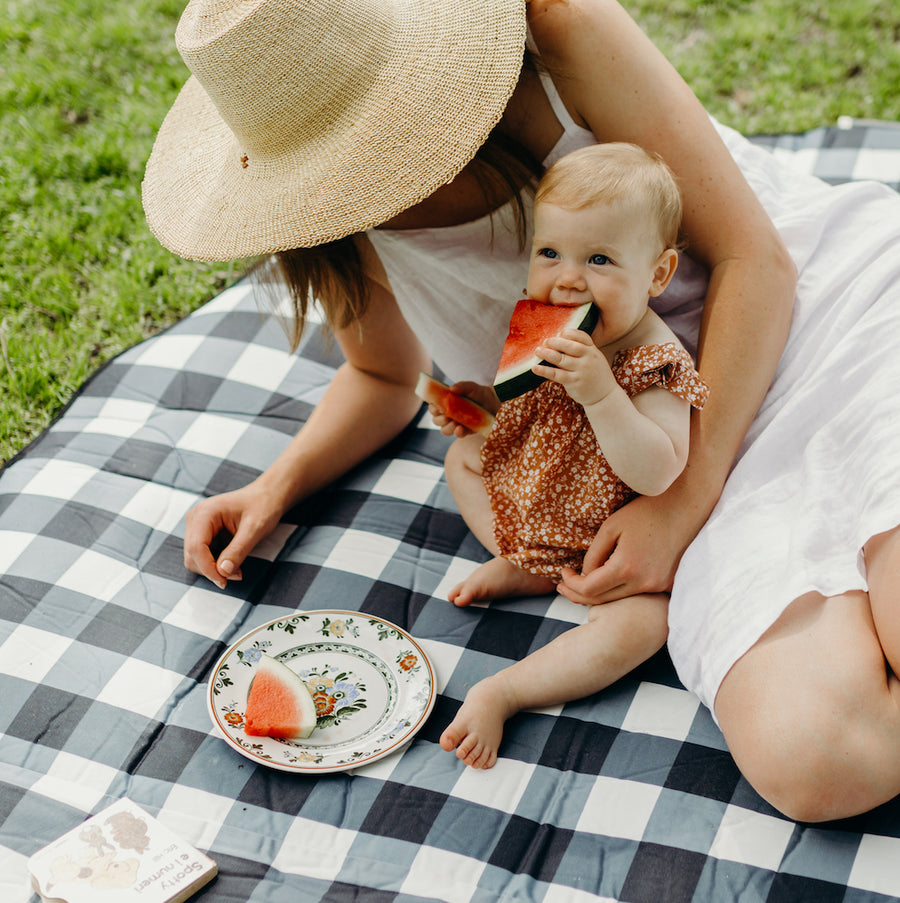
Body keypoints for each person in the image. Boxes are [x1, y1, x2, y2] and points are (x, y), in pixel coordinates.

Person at [142, 0, 900, 821]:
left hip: (808, 334)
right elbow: (384, 377)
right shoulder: (326, 215)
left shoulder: (555, 32)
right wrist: (274, 485)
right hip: (645, 463)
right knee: (823, 758)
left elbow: (758, 260)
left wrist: (683, 502)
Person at [435, 142, 709, 767]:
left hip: (616, 547)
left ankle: (507, 691)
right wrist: (479, 405)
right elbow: (521, 407)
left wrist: (603, 395)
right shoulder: (552, 325)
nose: (568, 278)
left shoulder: (658, 359)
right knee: (462, 460)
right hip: (550, 499)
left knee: (645, 626)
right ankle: (529, 560)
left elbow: (660, 470)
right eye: (550, 253)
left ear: (658, 275)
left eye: (600, 259)